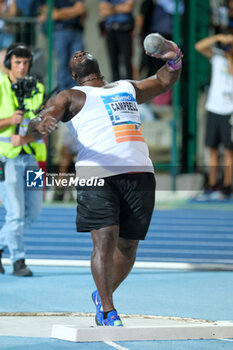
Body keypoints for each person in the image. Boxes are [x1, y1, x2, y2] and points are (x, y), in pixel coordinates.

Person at [28, 35, 182, 325]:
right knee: (105, 241)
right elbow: (42, 121)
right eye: (74, 56)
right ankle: (109, 311)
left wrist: (174, 58)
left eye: (82, 51)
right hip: (96, 175)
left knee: (128, 247)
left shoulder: (126, 87)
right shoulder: (70, 96)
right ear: (75, 75)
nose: (79, 52)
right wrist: (40, 124)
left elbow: (163, 82)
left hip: (139, 174)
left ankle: (103, 294)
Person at [0, 43, 47, 276]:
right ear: (9, 63)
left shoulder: (37, 88)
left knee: (34, 212)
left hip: (32, 159)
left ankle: (0, 244)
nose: (22, 66)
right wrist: (9, 120)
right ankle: (18, 260)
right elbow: (11, 123)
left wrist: (30, 135)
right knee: (15, 214)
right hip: (6, 160)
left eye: (25, 62)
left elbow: (41, 124)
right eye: (17, 62)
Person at [195, 34, 233, 199]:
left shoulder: (229, 59)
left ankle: (227, 185)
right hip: (214, 108)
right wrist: (219, 38)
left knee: (228, 150)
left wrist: (230, 55)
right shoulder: (217, 57)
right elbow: (199, 46)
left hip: (230, 110)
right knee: (211, 148)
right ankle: (212, 183)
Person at [38, 0, 87, 91]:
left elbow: (81, 10)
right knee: (63, 63)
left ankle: (77, 91)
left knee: (78, 63)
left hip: (76, 31)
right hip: (60, 32)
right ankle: (63, 91)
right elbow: (54, 14)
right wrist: (74, 11)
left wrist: (61, 13)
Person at [98, 0, 135, 81]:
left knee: (127, 60)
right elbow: (102, 11)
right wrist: (120, 7)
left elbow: (128, 8)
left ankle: (130, 84)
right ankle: (115, 85)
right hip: (110, 31)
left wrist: (111, 7)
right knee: (113, 61)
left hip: (125, 30)